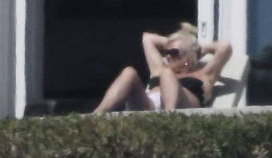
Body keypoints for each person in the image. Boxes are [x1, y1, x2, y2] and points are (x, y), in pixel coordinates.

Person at [93, 23, 232, 113]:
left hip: (181, 106)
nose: (169, 56)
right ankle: (97, 115)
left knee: (166, 73)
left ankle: (168, 117)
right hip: (148, 106)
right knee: (129, 72)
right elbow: (147, 38)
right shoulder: (159, 69)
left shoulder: (205, 75)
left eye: (174, 52)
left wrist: (195, 48)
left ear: (190, 55)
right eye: (167, 52)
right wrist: (175, 42)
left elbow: (224, 48)